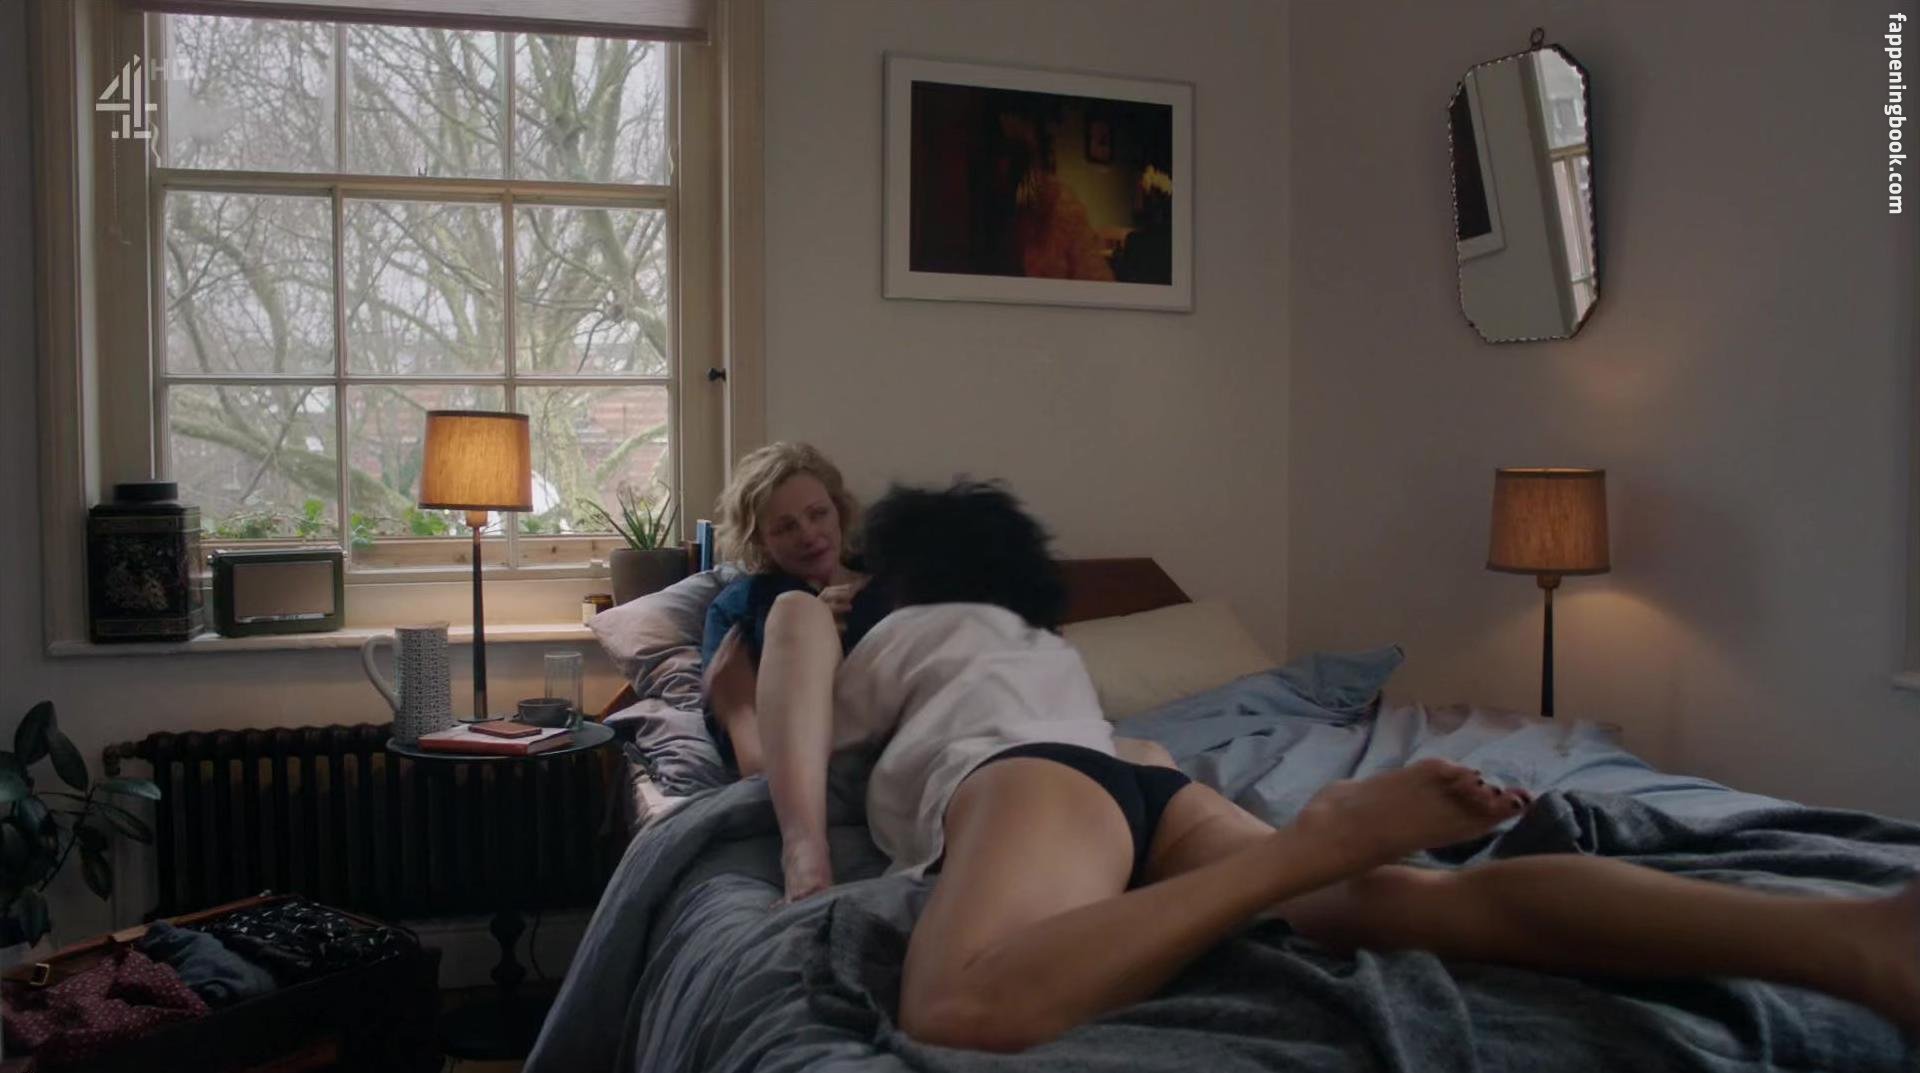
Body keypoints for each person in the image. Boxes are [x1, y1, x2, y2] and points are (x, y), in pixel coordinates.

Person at [829, 480, 1920, 1054]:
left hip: (1032, 778)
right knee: (1406, 900)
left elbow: (804, 742)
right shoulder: (1044, 645)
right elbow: (1124, 747)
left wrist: (810, 634)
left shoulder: (905, 630)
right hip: (1142, 779)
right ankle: (1858, 939)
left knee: (962, 1001)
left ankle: (1315, 845)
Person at [699, 442, 891, 903]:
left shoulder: (896, 585)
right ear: (760, 540)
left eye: (818, 514)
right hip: (814, 777)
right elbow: (755, 767)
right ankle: (805, 857)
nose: (809, 535)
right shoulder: (742, 608)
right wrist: (809, 633)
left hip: (909, 750)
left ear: (839, 510)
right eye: (785, 527)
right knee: (796, 610)